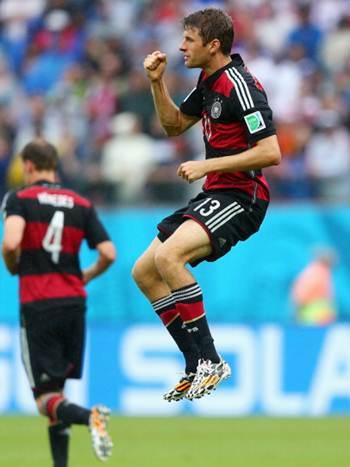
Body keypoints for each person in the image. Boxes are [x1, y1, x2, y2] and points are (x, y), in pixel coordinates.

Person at [132, 8, 281, 402]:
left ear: (213, 45)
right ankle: (194, 363)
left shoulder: (240, 85)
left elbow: (271, 151)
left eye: (189, 40)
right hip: (214, 192)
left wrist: (207, 164)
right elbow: (173, 125)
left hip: (242, 195)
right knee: (145, 271)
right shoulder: (208, 80)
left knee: (169, 259)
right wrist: (156, 82)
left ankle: (211, 360)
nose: (180, 46)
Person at [1, 139, 116, 466]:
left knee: (44, 400)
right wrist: (87, 275)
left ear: (28, 166)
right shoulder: (80, 203)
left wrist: (13, 266)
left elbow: (11, 243)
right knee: (57, 398)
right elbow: (108, 253)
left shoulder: (19, 199)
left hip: (39, 303)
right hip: (73, 305)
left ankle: (91, 416)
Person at [291, 247, 337, 325]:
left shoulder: (319, 271)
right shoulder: (317, 272)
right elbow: (301, 295)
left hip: (313, 314)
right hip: (315, 315)